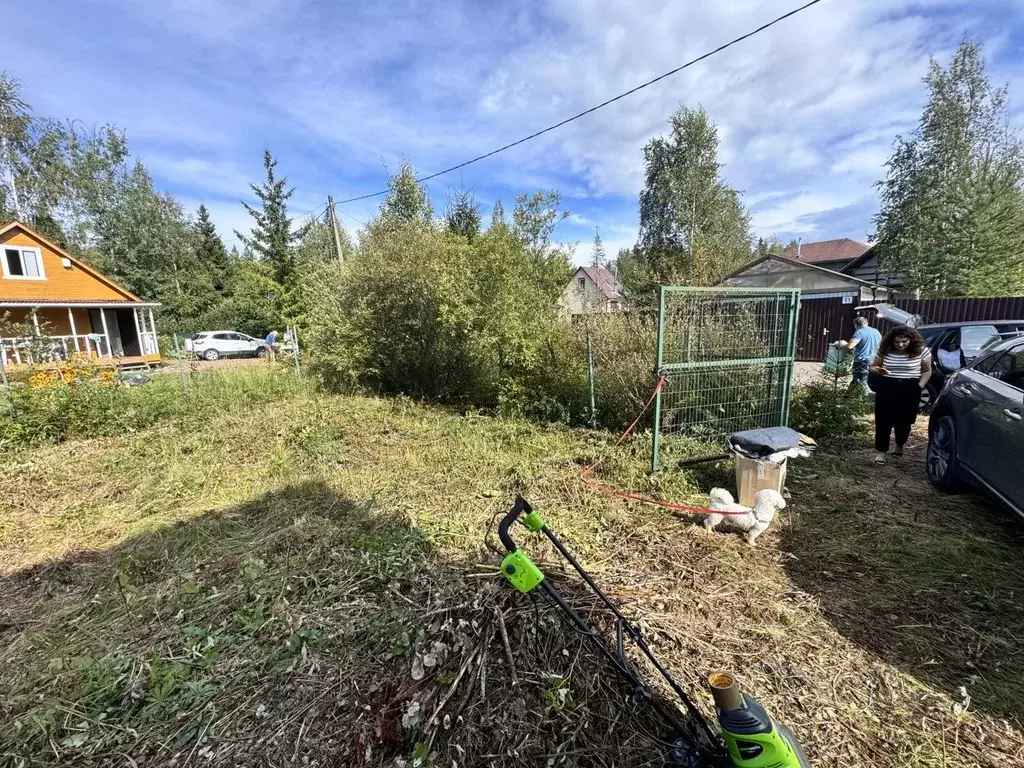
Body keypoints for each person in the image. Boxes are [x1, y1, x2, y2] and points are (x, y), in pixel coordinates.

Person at [869, 325, 932, 464]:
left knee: (904, 421)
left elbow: (927, 371)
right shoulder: (885, 350)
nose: (900, 345)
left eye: (904, 341)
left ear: (911, 340)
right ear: (891, 341)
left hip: (910, 387)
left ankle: (899, 444)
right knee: (883, 420)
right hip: (887, 386)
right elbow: (873, 367)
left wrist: (919, 386)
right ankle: (881, 451)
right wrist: (878, 370)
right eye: (897, 342)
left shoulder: (922, 351)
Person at [838, 316, 881, 394]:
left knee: (861, 382)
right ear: (867, 323)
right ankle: (847, 397)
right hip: (874, 360)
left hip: (862, 360)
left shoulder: (859, 332)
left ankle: (867, 401)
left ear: (855, 325)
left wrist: (841, 345)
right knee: (856, 379)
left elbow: (850, 346)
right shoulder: (876, 331)